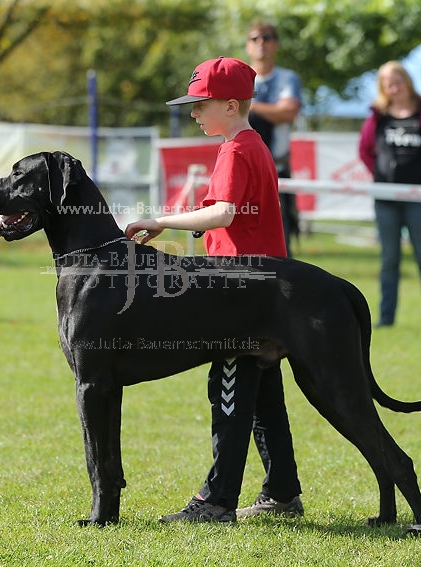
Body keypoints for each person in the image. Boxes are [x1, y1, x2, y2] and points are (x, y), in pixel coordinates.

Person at [124, 57, 303, 523]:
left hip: (239, 296)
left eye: (200, 105)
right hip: (263, 293)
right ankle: (283, 493)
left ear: (230, 104)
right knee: (263, 398)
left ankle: (216, 501)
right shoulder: (254, 145)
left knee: (228, 392)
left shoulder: (235, 150)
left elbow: (222, 213)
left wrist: (160, 220)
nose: (194, 114)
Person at [358, 60, 421, 329]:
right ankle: (386, 318)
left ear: (407, 81)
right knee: (389, 260)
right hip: (386, 199)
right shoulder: (377, 115)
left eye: (397, 80)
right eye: (387, 83)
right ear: (383, 87)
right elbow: (365, 150)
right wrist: (378, 177)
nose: (394, 86)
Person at [245, 20, 303, 257]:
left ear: (276, 44)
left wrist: (249, 108)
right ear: (248, 45)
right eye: (255, 38)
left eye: (267, 38)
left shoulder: (288, 78)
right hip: (244, 174)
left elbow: (288, 113)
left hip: (277, 173)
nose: (261, 43)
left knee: (281, 249)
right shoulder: (239, 75)